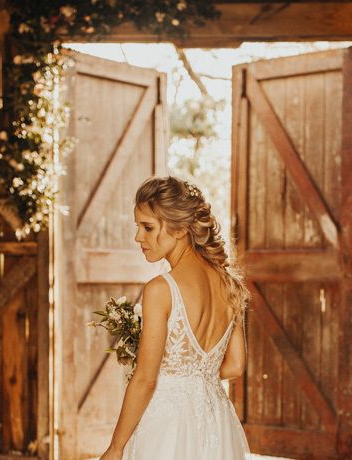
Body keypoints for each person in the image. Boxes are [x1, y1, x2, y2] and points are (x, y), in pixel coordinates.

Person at [99, 176, 251, 460]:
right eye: (138, 227)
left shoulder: (161, 289)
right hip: (214, 419)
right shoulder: (231, 285)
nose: (138, 237)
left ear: (180, 229)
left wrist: (115, 447)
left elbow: (145, 379)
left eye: (148, 227)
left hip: (167, 423)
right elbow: (235, 365)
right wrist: (193, 378)